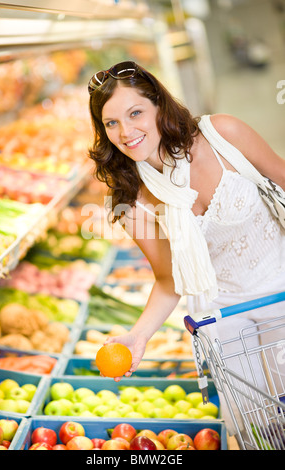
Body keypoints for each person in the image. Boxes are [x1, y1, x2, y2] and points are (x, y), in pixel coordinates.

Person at [87, 61, 285, 433]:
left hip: (282, 288)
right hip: (223, 316)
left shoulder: (222, 134)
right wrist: (138, 336)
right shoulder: (131, 199)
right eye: (111, 123)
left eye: (135, 113)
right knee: (259, 429)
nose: (126, 132)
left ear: (159, 105)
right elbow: (168, 280)